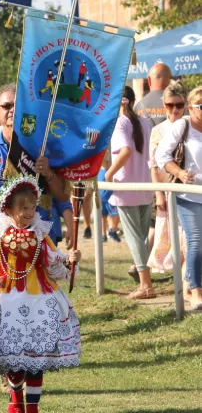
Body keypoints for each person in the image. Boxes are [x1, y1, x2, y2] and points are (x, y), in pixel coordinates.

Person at [0, 175, 81, 413]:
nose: (28, 212)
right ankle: (16, 399)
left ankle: (33, 405)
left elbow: (53, 261)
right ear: (9, 209)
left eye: (32, 207)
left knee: (37, 354)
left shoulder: (40, 236)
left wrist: (69, 261)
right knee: (13, 355)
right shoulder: (0, 240)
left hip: (39, 300)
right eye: (23, 208)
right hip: (8, 300)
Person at [0, 84, 69, 238]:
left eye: (18, 105)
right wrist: (12, 203)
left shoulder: (44, 147)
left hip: (39, 239)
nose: (13, 110)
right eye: (7, 106)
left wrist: (48, 174)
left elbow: (62, 196)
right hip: (0, 240)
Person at [106, 86, 155, 299]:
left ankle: (146, 286)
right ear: (133, 101)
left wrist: (109, 174)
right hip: (146, 186)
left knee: (135, 238)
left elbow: (125, 152)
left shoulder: (120, 123)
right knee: (141, 237)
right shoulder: (144, 122)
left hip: (127, 188)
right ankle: (146, 280)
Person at [157, 85, 202, 309]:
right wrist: (180, 173)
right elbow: (161, 156)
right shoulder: (182, 126)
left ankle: (189, 283)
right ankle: (196, 293)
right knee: (197, 243)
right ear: (192, 109)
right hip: (188, 194)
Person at [147, 82, 188, 274]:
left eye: (179, 105)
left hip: (189, 188)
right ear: (164, 104)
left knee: (188, 236)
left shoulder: (192, 126)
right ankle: (182, 283)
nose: (174, 110)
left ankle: (188, 281)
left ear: (186, 104)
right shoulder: (158, 130)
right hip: (166, 188)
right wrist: (158, 194)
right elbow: (153, 165)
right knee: (170, 235)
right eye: (170, 105)